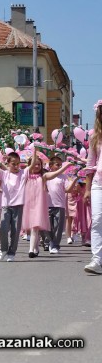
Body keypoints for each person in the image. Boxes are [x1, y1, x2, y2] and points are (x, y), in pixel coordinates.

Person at [85, 101, 102, 274]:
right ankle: (96, 260)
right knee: (97, 220)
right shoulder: (95, 136)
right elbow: (90, 163)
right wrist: (88, 188)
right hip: (98, 183)